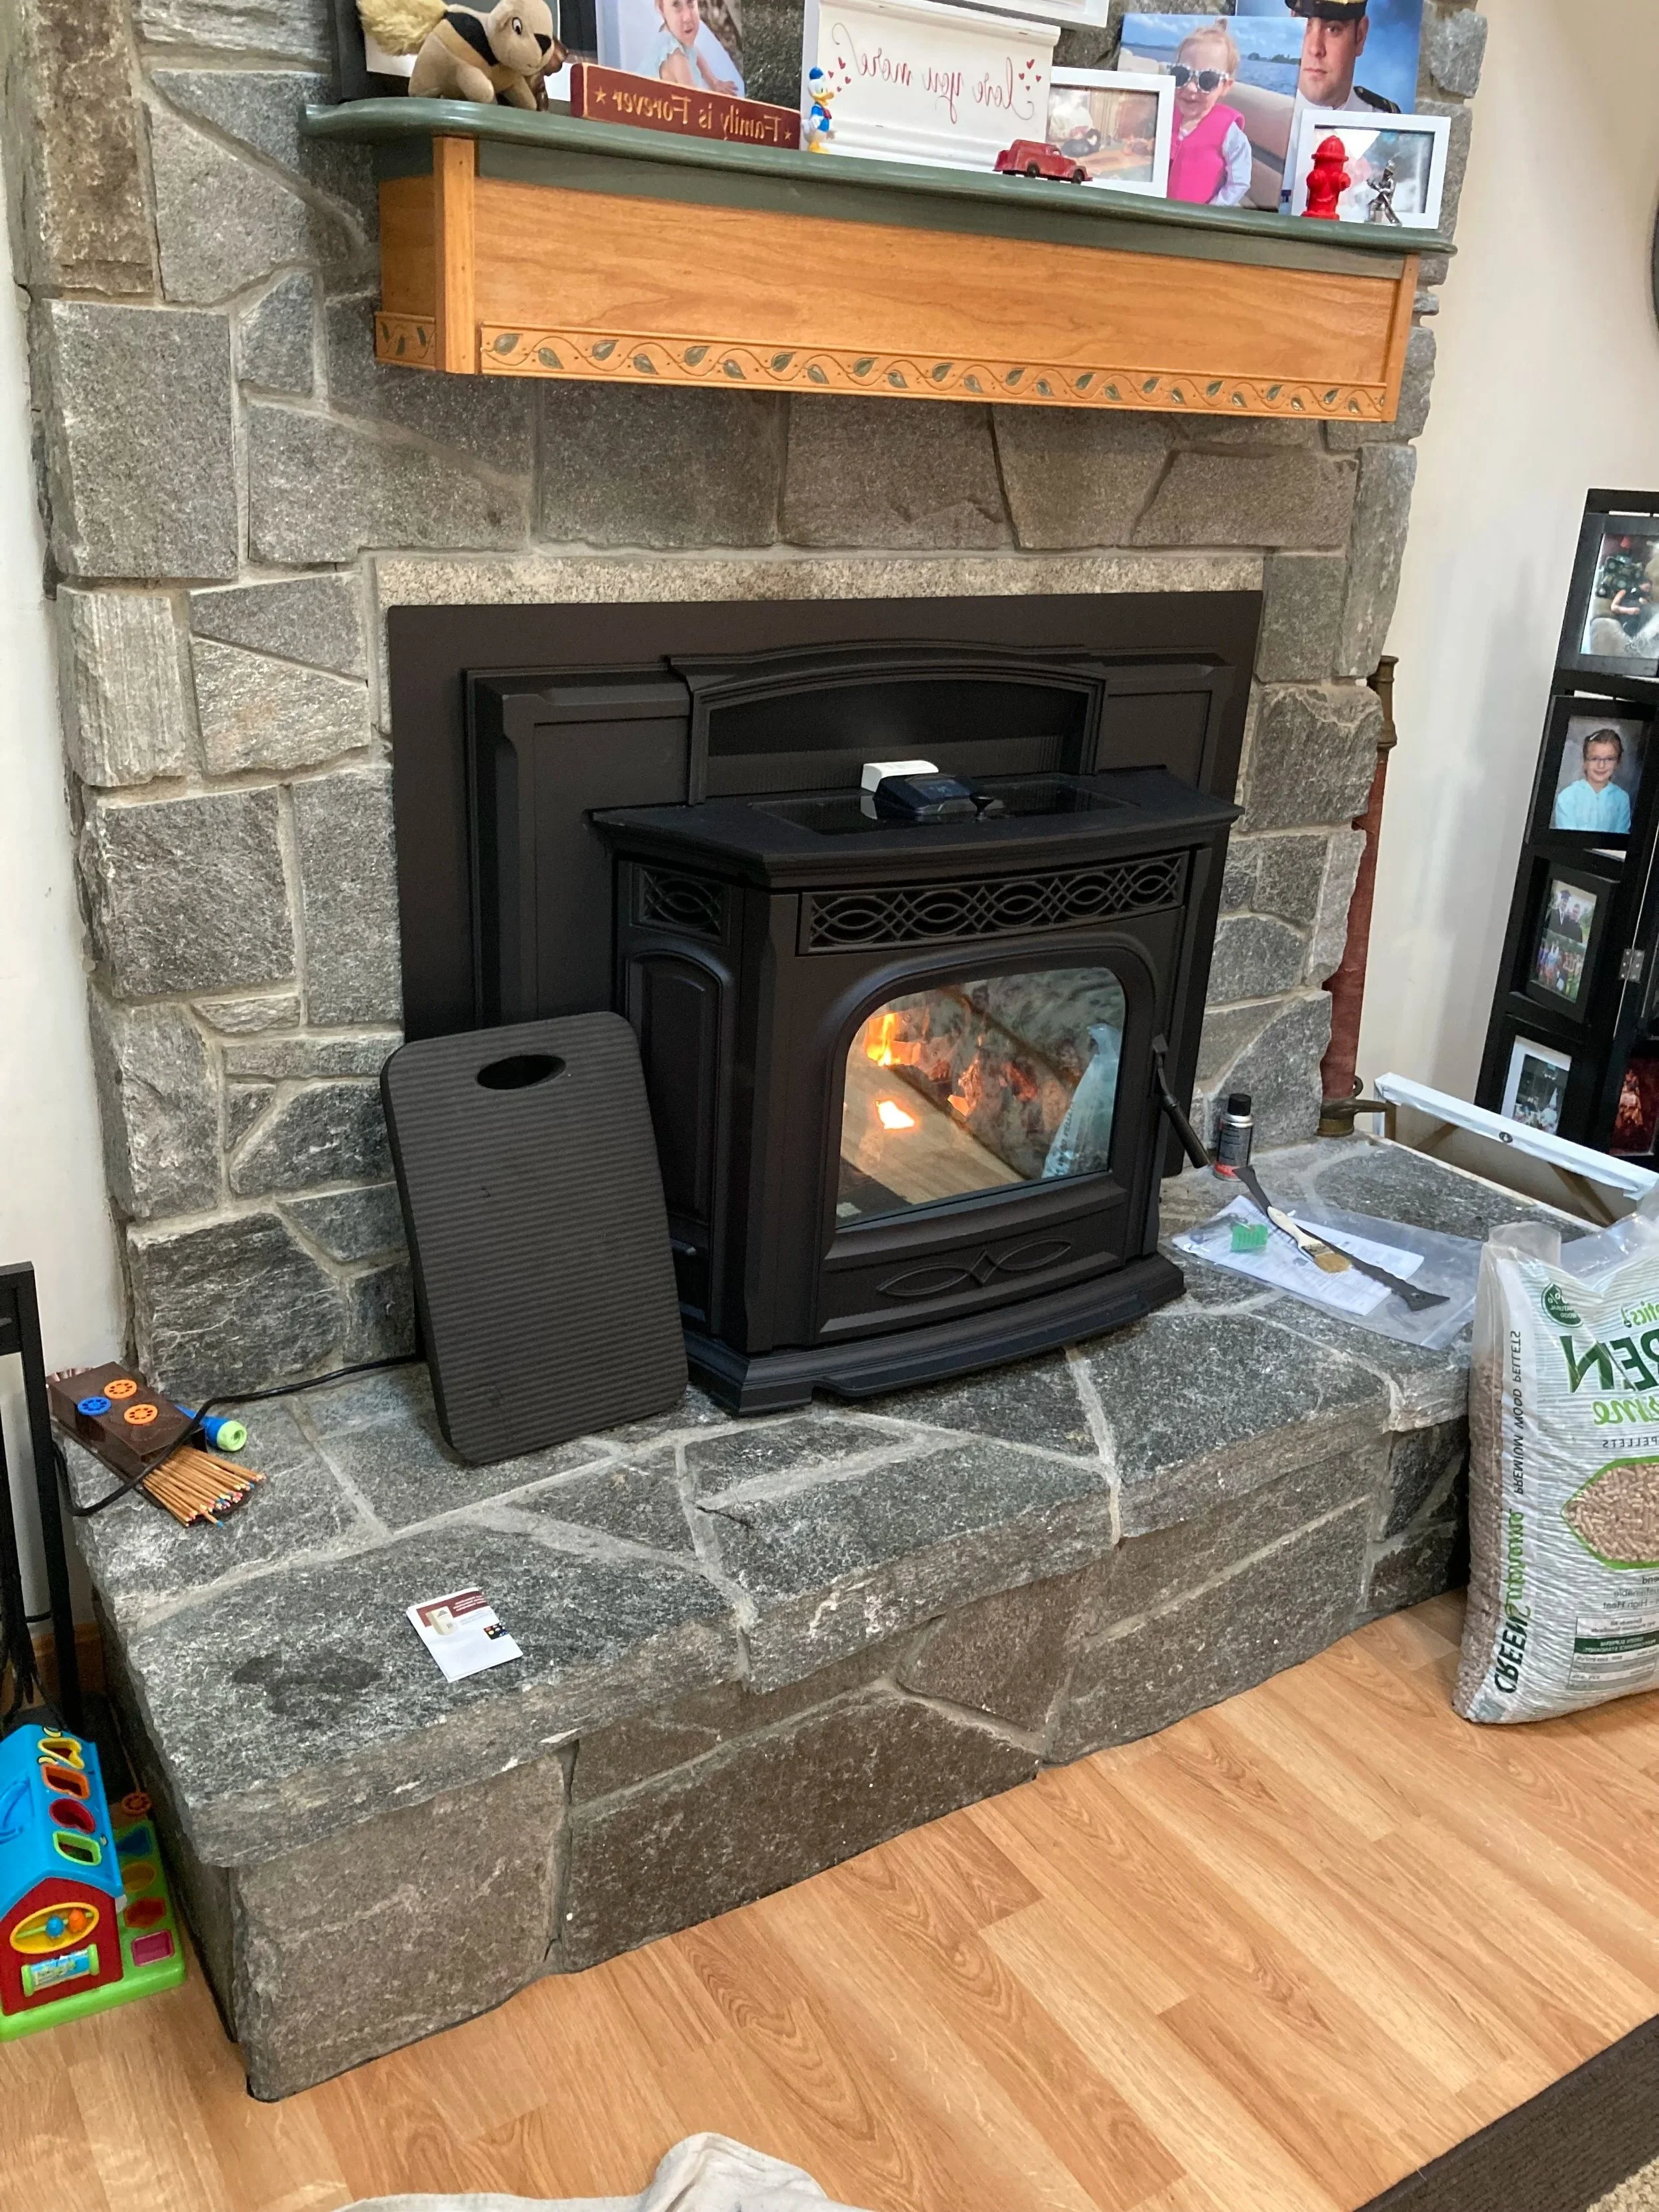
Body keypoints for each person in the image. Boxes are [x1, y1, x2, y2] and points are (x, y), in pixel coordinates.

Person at [1166, 20, 1252, 208]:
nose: (1190, 88)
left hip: (1197, 218)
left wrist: (1212, 210)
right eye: (1182, 75)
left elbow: (1239, 182)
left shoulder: (1230, 135)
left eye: (1207, 80)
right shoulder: (1163, 114)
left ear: (1225, 86)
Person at [1289, 0, 1401, 114]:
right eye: (1304, 25)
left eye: (1333, 29)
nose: (1315, 49)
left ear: (1360, 36)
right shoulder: (1276, 115)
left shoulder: (1385, 119)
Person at [1553, 729, 1634, 835]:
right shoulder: (1567, 796)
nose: (1601, 765)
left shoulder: (1622, 799)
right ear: (1585, 761)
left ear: (1617, 762)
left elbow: (1621, 838)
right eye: (1595, 759)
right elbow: (1567, 838)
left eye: (1609, 759)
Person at [653, 0, 739, 94]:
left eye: (690, 1)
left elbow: (693, 52)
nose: (687, 17)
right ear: (661, 8)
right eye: (676, 4)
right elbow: (694, 99)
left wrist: (714, 82)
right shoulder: (677, 58)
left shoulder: (672, 31)